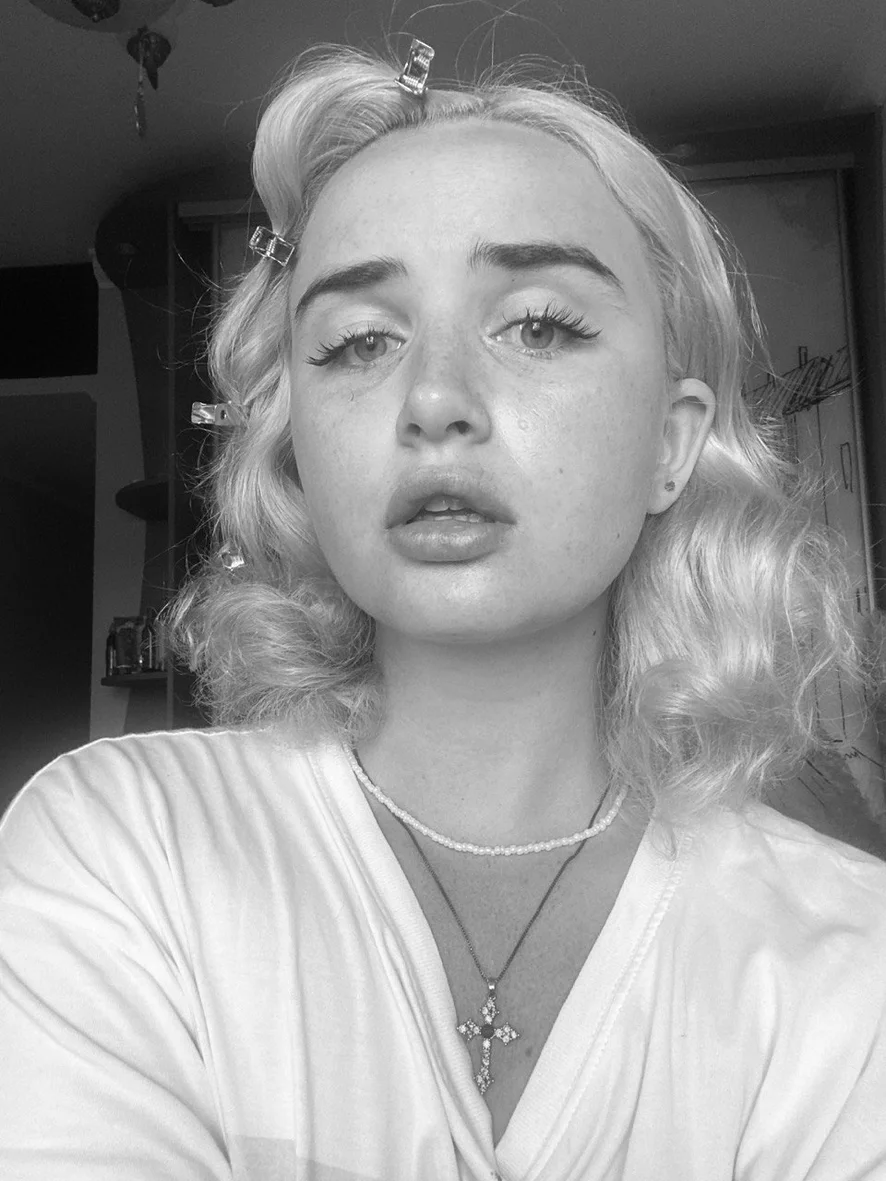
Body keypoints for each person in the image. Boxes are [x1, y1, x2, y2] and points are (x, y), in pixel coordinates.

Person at [1, 38, 885, 1181]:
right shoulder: (125, 843)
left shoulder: (850, 961)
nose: (433, 400)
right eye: (358, 341)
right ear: (301, 452)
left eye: (539, 323)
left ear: (670, 447)